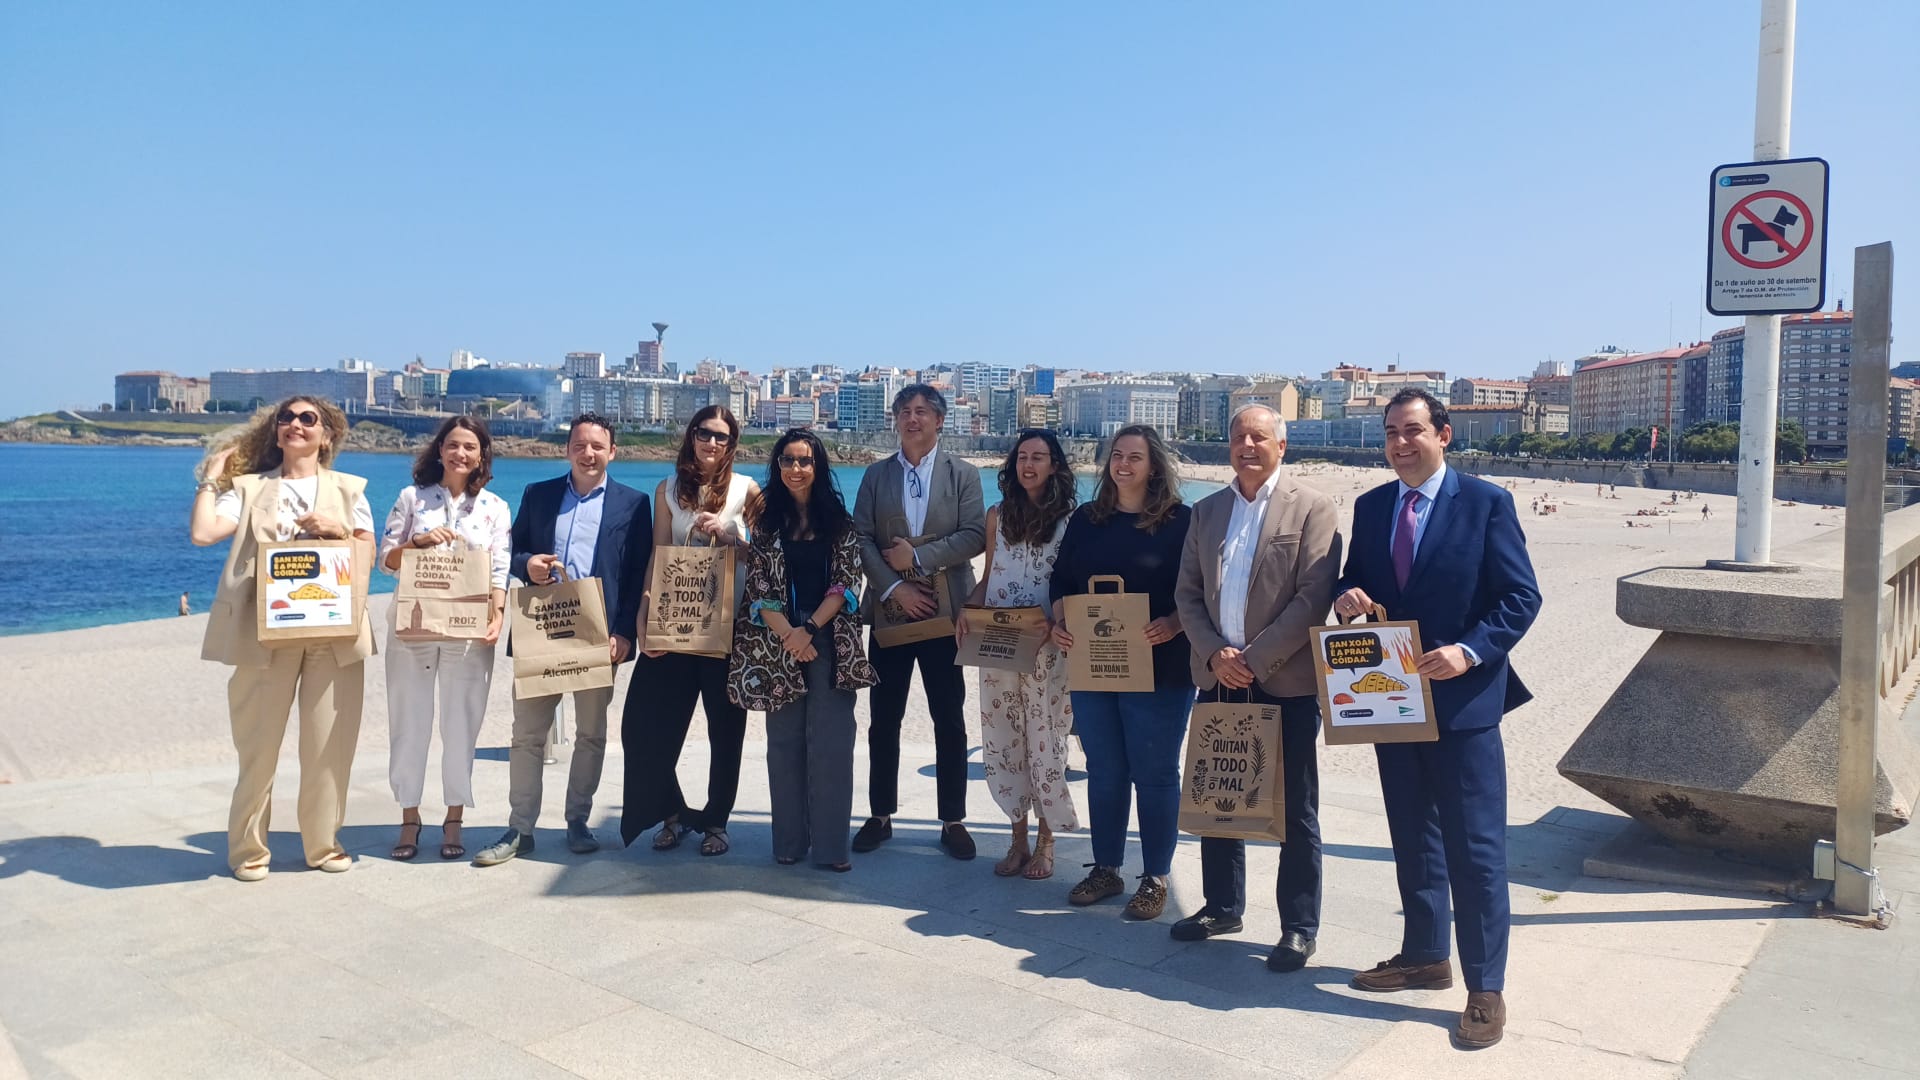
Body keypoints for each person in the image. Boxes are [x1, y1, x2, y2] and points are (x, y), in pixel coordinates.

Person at [1332, 388, 1542, 1050]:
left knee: (1475, 850)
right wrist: (1347, 602)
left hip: (1465, 705)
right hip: (1390, 701)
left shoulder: (1486, 503)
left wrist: (1470, 650)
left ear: (1443, 435)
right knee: (1412, 838)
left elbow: (1521, 596)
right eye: (1391, 432)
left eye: (1413, 430)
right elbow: (1353, 585)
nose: (1400, 442)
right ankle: (1425, 955)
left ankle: (1485, 987)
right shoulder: (1370, 508)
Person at [1169, 404, 1341, 973]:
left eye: (1259, 436)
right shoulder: (1206, 511)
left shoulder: (1313, 507)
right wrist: (1216, 653)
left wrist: (1254, 659)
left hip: (1284, 681)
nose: (1247, 445)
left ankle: (1298, 925)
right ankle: (1222, 905)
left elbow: (1313, 597)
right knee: (1220, 796)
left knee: (1295, 808)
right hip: (1217, 676)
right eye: (1239, 436)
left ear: (1281, 445)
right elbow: (1187, 594)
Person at [189, 397, 376, 881]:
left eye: (307, 419)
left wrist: (339, 531)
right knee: (258, 745)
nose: (295, 424)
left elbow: (369, 555)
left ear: (326, 435)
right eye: (287, 419)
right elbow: (204, 532)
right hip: (265, 634)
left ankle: (323, 842)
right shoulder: (250, 489)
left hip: (332, 633)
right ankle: (249, 851)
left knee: (328, 746)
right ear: (276, 433)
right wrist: (212, 477)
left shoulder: (351, 491)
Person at [473, 413, 652, 867]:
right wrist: (528, 563)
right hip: (543, 632)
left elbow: (636, 574)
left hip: (599, 635)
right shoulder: (539, 495)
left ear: (612, 452)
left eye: (597, 446)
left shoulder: (634, 504)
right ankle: (520, 827)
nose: (588, 453)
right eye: (579, 445)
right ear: (567, 449)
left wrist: (626, 632)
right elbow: (509, 553)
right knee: (527, 735)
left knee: (591, 735)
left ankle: (577, 820)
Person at [1049, 424, 1192, 920]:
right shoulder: (1088, 520)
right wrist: (1059, 623)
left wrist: (1174, 623)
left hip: (1163, 668)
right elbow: (1061, 581)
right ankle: (1106, 868)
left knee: (1154, 774)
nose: (1124, 465)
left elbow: (1200, 592)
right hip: (1096, 665)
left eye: (1135, 457)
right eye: (1117, 456)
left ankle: (1154, 877)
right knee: (1105, 772)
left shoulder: (1182, 522)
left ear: (1154, 465)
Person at [729, 429, 878, 870]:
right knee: (784, 745)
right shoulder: (766, 526)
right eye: (789, 460)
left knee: (832, 746)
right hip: (778, 646)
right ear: (778, 466)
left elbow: (847, 584)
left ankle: (832, 849)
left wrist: (808, 629)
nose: (796, 468)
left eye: (805, 460)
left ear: (818, 467)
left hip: (830, 642)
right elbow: (758, 589)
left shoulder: (839, 522)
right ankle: (789, 843)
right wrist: (789, 635)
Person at [851, 384, 987, 858]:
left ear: (940, 420)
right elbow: (861, 540)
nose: (913, 419)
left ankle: (953, 820)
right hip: (890, 614)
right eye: (905, 411)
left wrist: (919, 557)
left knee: (948, 718)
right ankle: (879, 814)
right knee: (883, 719)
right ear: (896, 419)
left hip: (947, 615)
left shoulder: (964, 475)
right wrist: (897, 586)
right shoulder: (874, 476)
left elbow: (974, 536)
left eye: (923, 412)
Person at [621, 406, 759, 857]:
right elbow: (659, 555)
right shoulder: (668, 490)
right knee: (644, 728)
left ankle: (717, 821)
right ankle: (674, 812)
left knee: (725, 730)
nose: (712, 442)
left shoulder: (747, 490)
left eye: (721, 436)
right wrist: (644, 615)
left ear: (732, 443)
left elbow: (764, 560)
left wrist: (729, 536)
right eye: (704, 433)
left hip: (727, 628)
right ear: (691, 435)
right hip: (674, 623)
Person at [378, 415, 511, 862]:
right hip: (413, 627)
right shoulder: (411, 498)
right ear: (439, 450)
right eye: (453, 445)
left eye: (470, 447)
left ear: (481, 455)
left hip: (468, 631)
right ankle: (409, 817)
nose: (460, 454)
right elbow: (386, 560)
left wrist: (497, 617)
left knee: (461, 724)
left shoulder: (494, 506)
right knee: (409, 721)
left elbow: (499, 571)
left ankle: (454, 816)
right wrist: (416, 543)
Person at [957, 429, 1078, 880]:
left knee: (1046, 741)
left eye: (1039, 457)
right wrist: (967, 609)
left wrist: (1060, 624)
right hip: (998, 643)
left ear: (1054, 466)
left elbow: (1071, 584)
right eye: (1022, 457)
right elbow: (990, 575)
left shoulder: (1072, 521)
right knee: (1005, 741)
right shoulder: (997, 515)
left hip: (1048, 648)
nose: (1029, 465)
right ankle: (1017, 840)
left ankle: (1047, 843)